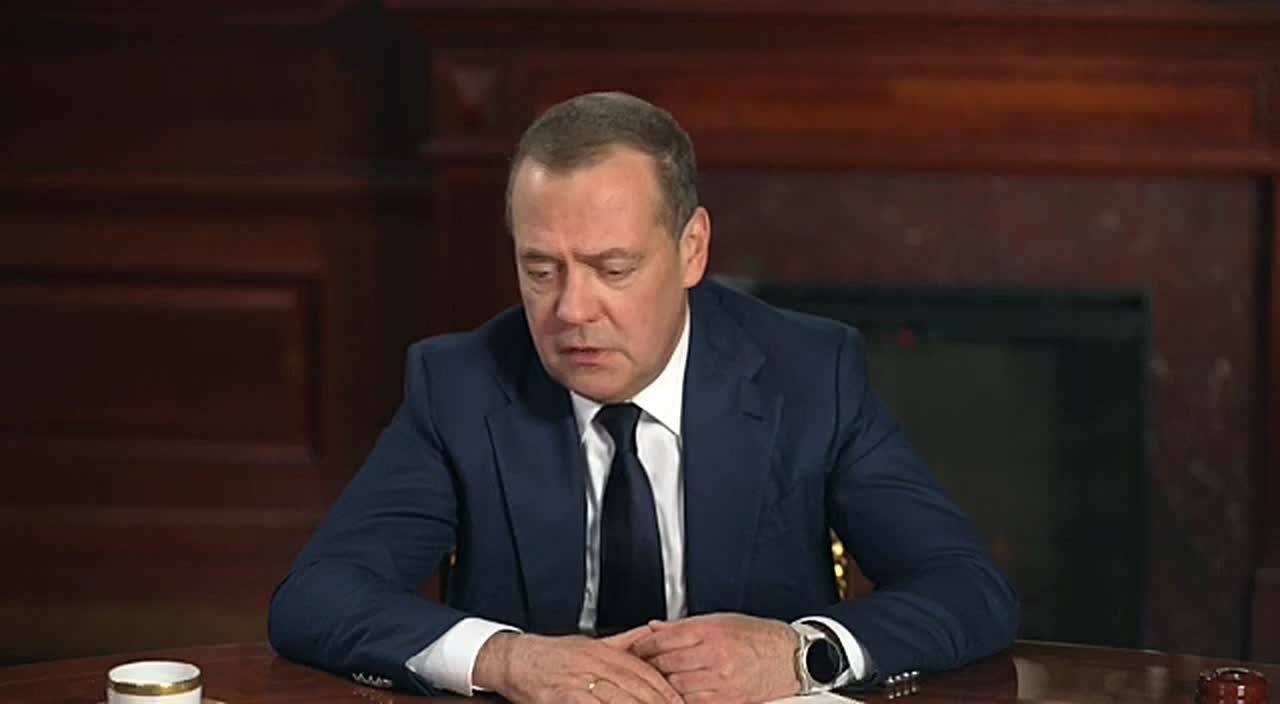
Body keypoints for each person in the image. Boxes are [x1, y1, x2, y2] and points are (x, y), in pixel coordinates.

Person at [268, 91, 1018, 703]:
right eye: (541, 270)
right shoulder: (460, 385)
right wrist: (506, 658)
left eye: (614, 270)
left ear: (692, 249)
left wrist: (800, 654)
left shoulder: (809, 374)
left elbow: (967, 587)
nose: (571, 311)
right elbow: (317, 597)